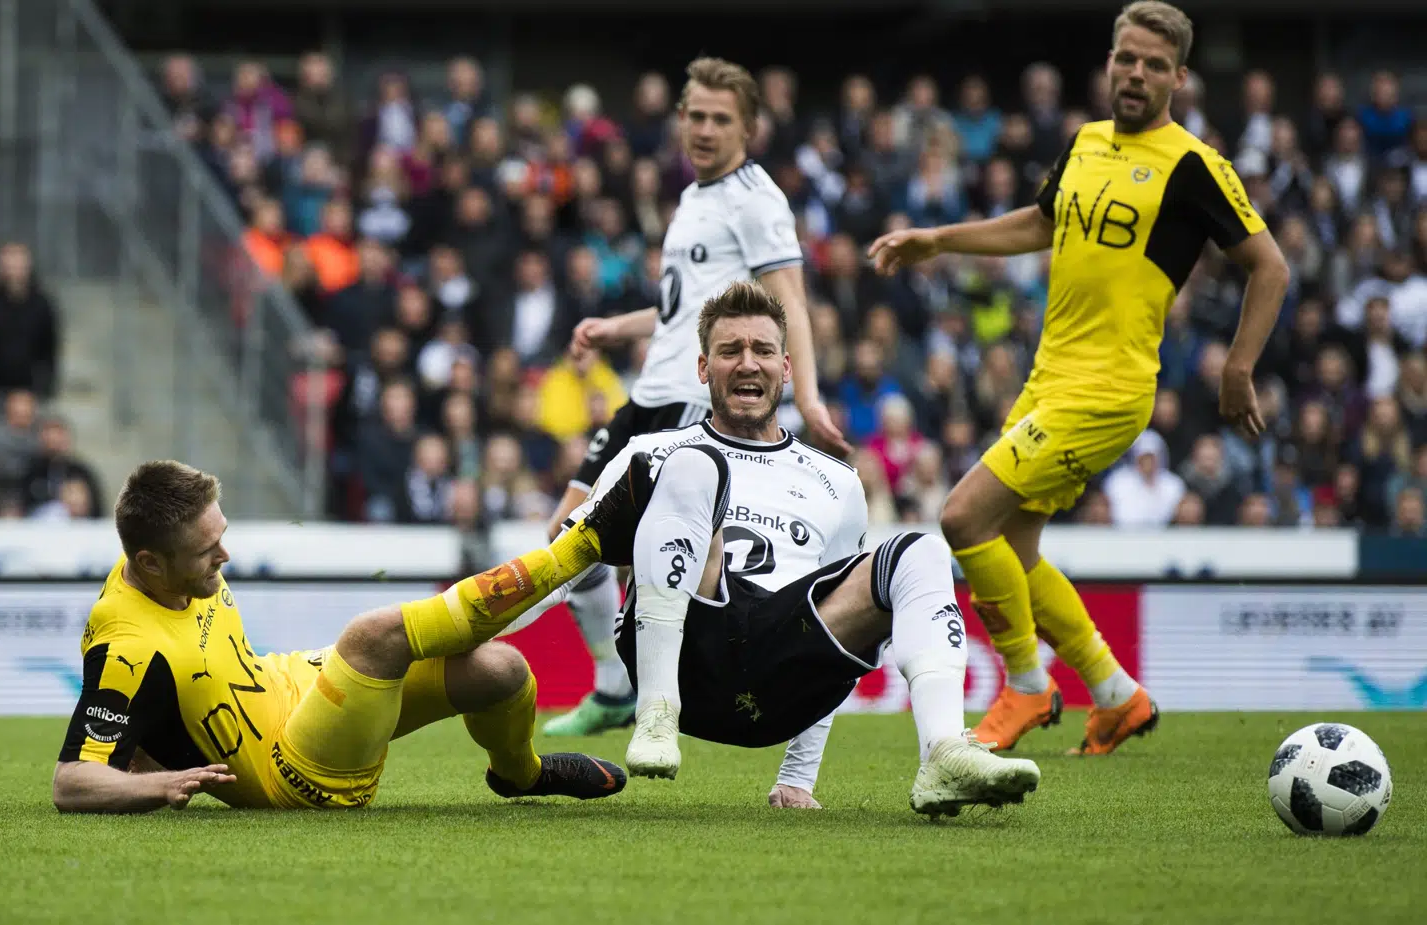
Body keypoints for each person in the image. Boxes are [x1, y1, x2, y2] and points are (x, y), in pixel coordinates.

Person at [868, 0, 1289, 754]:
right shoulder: (1086, 142)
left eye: (1154, 64)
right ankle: (1116, 694)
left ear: (1179, 77)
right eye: (1126, 58)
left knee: (964, 520)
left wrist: (1240, 364)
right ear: (1109, 62)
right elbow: (1040, 222)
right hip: (1048, 377)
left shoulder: (1192, 164)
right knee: (1017, 552)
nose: (1136, 73)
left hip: (1109, 389)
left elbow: (1270, 265)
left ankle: (1026, 686)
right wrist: (940, 240)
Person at [565, 281, 1041, 816]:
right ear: (703, 369)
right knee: (694, 465)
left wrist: (798, 777)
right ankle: (655, 711)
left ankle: (944, 753)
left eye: (763, 351)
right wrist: (480, 619)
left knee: (920, 552)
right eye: (730, 351)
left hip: (779, 682)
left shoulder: (835, 482)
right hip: (687, 657)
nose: (748, 364)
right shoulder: (652, 451)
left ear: (786, 369)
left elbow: (837, 638)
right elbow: (566, 557)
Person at [51, 459, 647, 812]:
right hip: (293, 769)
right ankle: (581, 547)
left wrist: (150, 750)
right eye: (207, 552)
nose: (225, 555)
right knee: (373, 635)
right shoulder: (126, 648)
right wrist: (161, 784)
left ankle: (521, 775)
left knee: (500, 672)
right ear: (151, 563)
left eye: (222, 535)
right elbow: (71, 781)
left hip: (291, 686)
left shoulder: (164, 561)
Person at [542, 57, 850, 737]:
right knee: (566, 539)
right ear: (680, 119)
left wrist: (813, 393)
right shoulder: (693, 197)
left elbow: (788, 299)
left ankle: (667, 692)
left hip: (690, 397)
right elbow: (681, 310)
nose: (705, 130)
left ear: (749, 128)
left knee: (620, 545)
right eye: (697, 116)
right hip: (645, 391)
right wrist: (614, 327)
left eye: (721, 119)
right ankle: (618, 685)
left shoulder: (756, 199)